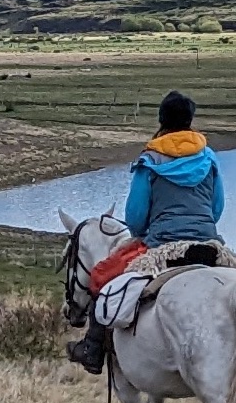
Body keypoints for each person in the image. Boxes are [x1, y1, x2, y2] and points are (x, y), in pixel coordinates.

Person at [68, 92, 225, 374]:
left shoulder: (150, 160)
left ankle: (92, 349)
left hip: (163, 245)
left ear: (162, 119)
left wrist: (151, 229)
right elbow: (217, 209)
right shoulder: (208, 157)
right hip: (207, 240)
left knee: (102, 275)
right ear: (190, 120)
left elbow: (136, 219)